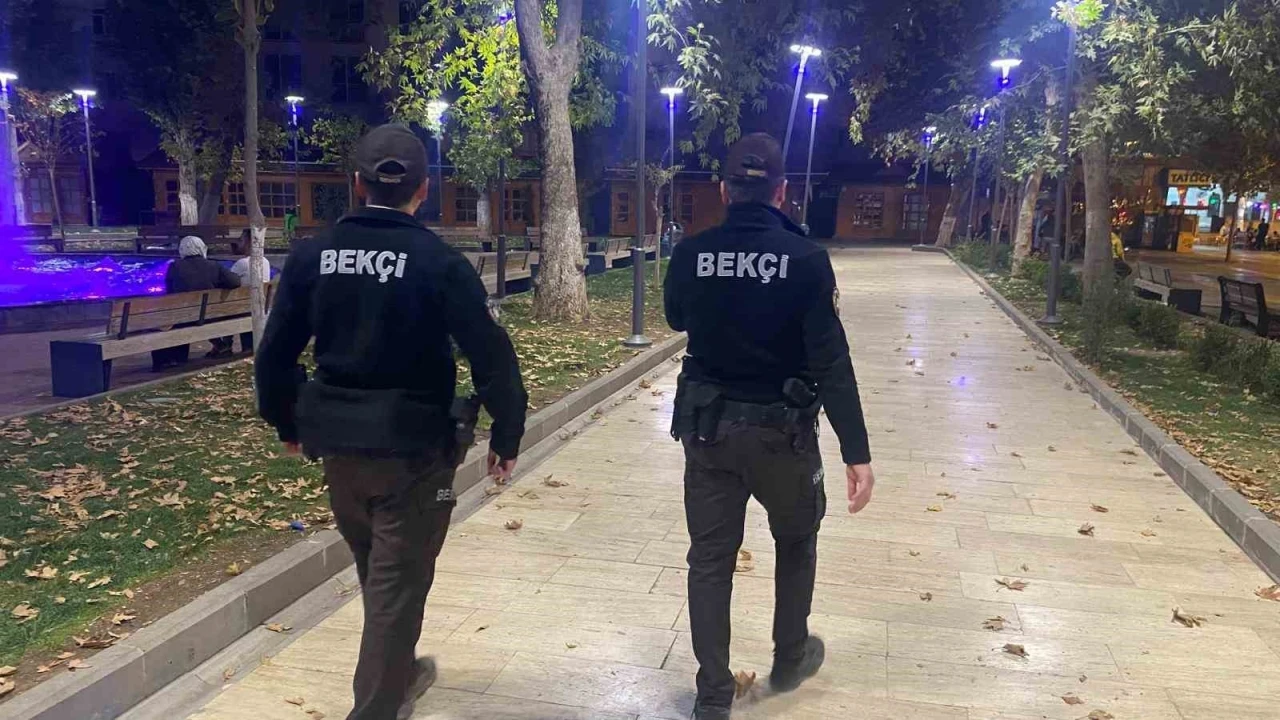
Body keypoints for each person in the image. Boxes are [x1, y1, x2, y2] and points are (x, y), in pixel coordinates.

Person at [255, 124, 528, 720]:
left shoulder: (312, 256)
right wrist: (507, 432)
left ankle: (397, 674)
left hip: (339, 451)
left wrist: (285, 422)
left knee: (381, 575)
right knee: (395, 589)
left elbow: (274, 355)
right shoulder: (439, 262)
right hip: (413, 454)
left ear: (357, 184)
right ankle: (379, 704)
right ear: (423, 190)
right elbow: (490, 353)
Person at [663, 133, 876, 720]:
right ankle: (788, 659)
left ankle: (713, 695)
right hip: (784, 436)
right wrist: (856, 451)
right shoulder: (805, 259)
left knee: (710, 560)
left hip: (709, 432)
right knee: (797, 540)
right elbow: (831, 360)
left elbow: (676, 317)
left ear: (724, 191)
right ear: (782, 192)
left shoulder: (692, 253)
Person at [151, 236, 241, 370]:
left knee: (166, 321)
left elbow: (170, 292)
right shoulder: (213, 266)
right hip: (211, 315)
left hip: (185, 317)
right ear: (202, 248)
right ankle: (220, 345)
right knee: (191, 315)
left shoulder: (174, 267)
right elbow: (235, 282)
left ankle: (169, 360)